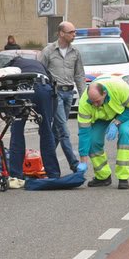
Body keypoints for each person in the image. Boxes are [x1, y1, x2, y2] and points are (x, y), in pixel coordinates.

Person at [6, 56, 62, 187]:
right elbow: (53, 87)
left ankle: (16, 176)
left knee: (17, 131)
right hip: (43, 88)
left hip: (23, 89)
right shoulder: (39, 64)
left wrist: (9, 112)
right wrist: (49, 118)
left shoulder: (12, 66)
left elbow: (4, 86)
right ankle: (53, 173)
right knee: (46, 131)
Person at [76, 77, 129, 189]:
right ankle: (103, 177)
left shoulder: (120, 89)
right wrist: (83, 161)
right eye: (92, 102)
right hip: (102, 118)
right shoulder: (84, 103)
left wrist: (117, 122)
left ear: (104, 93)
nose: (95, 104)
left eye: (97, 101)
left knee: (125, 133)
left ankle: (123, 177)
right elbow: (84, 133)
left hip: (122, 113)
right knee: (93, 141)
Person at [41, 22, 85, 173]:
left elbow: (79, 75)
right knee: (64, 130)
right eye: (71, 32)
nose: (74, 34)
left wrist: (84, 96)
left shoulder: (75, 53)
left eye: (74, 32)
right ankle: (74, 165)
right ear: (61, 33)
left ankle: (45, 161)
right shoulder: (48, 51)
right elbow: (40, 73)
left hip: (69, 93)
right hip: (55, 94)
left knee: (57, 131)